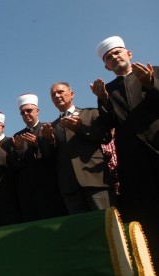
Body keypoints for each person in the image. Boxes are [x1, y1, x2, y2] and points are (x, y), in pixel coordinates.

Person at [91, 35, 159, 264]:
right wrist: (102, 100)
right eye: (109, 57)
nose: (114, 57)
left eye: (117, 53)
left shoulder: (153, 72)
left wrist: (151, 83)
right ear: (106, 66)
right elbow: (104, 128)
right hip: (134, 163)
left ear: (129, 53)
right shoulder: (107, 91)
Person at [41, 82, 113, 215]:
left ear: (72, 94)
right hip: (69, 188)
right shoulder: (53, 127)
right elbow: (50, 158)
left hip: (95, 180)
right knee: (83, 229)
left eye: (60, 92)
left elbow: (105, 137)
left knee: (107, 222)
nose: (57, 96)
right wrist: (49, 140)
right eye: (53, 94)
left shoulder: (90, 113)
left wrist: (80, 128)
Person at [12, 95, 66, 221]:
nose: (26, 114)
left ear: (37, 111)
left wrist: (37, 145)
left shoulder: (49, 128)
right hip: (28, 191)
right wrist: (19, 150)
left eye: (29, 110)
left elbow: (55, 155)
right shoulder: (18, 136)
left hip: (50, 187)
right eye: (22, 112)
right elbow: (16, 166)